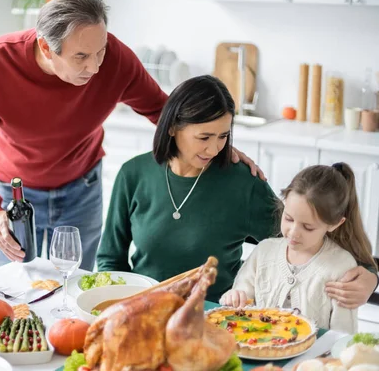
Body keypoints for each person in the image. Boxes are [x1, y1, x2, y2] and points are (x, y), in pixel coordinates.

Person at [0, 0, 261, 271]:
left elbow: (163, 112)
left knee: (76, 285)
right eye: (81, 57)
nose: (95, 67)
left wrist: (214, 145)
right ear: (46, 47)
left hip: (80, 188)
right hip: (14, 195)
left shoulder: (115, 59)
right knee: (13, 288)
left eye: (100, 51)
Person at [96, 75, 379, 307]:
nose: (215, 148)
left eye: (223, 136)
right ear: (171, 128)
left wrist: (369, 275)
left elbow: (311, 236)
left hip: (216, 317)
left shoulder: (243, 183)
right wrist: (118, 303)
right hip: (143, 310)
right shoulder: (133, 174)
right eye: (204, 137)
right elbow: (110, 259)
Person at [221, 163, 378, 333]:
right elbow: (238, 297)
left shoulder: (341, 266)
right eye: (288, 218)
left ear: (335, 224)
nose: (294, 233)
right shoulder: (264, 251)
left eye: (308, 227)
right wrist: (233, 297)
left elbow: (342, 334)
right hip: (259, 350)